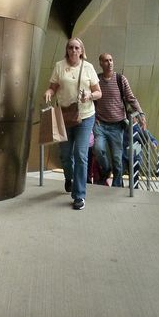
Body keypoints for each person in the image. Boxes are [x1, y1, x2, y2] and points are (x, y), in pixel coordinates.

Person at [44, 38, 101, 210]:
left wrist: (90, 96)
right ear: (67, 50)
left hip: (85, 116)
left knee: (80, 154)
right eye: (70, 47)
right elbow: (53, 87)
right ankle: (69, 177)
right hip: (64, 116)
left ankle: (79, 195)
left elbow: (99, 92)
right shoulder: (59, 66)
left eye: (77, 48)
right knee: (65, 155)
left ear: (82, 50)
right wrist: (49, 91)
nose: (73, 50)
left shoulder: (89, 67)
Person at [93, 53, 145, 187]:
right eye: (106, 61)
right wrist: (93, 118)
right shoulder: (96, 80)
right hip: (100, 124)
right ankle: (106, 170)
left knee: (117, 159)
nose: (109, 63)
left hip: (117, 126)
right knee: (98, 149)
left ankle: (116, 187)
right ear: (100, 63)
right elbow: (91, 102)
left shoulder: (120, 79)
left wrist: (141, 114)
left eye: (111, 60)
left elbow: (131, 99)